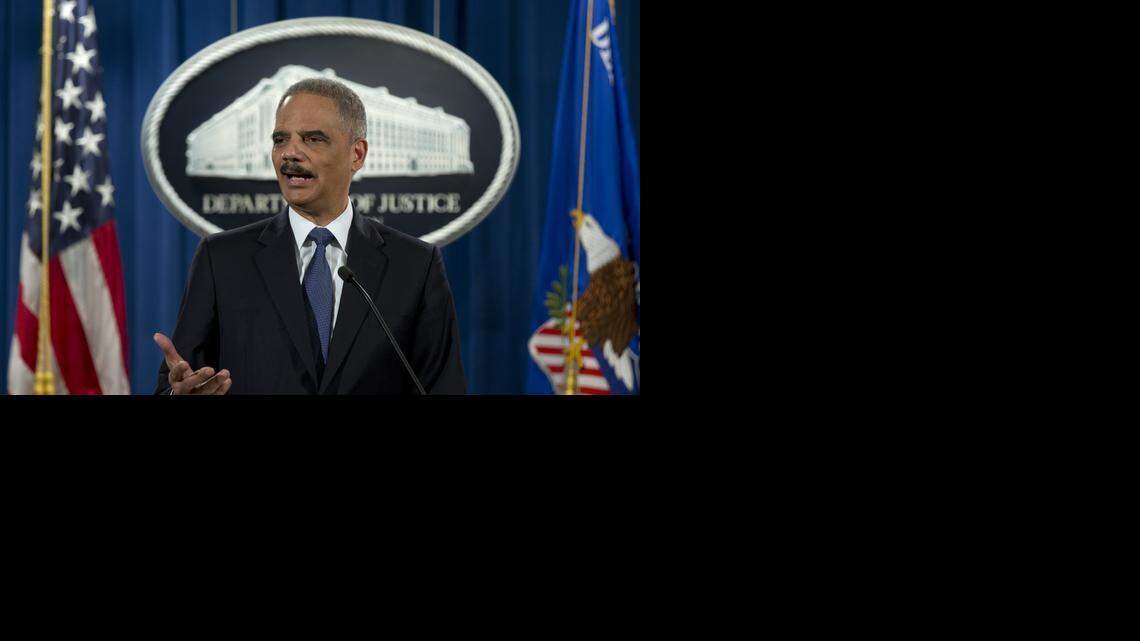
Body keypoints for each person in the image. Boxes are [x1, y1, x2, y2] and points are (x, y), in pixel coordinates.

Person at [153, 78, 465, 394]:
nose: (290, 153)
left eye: (312, 139)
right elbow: (176, 382)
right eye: (280, 139)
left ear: (356, 155)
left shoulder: (415, 265)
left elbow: (443, 387)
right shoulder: (221, 259)